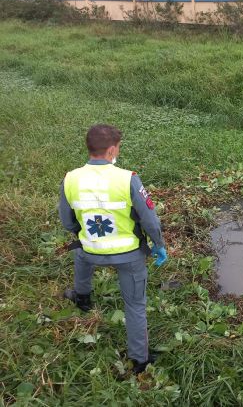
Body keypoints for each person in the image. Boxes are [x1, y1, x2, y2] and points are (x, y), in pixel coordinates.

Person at [59, 124, 167, 374]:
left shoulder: (70, 178)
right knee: (135, 305)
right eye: (117, 148)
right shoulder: (128, 178)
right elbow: (150, 221)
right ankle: (140, 361)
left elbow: (67, 221)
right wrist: (159, 245)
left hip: (89, 249)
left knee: (81, 255)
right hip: (128, 256)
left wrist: (85, 234)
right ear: (111, 151)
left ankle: (82, 297)